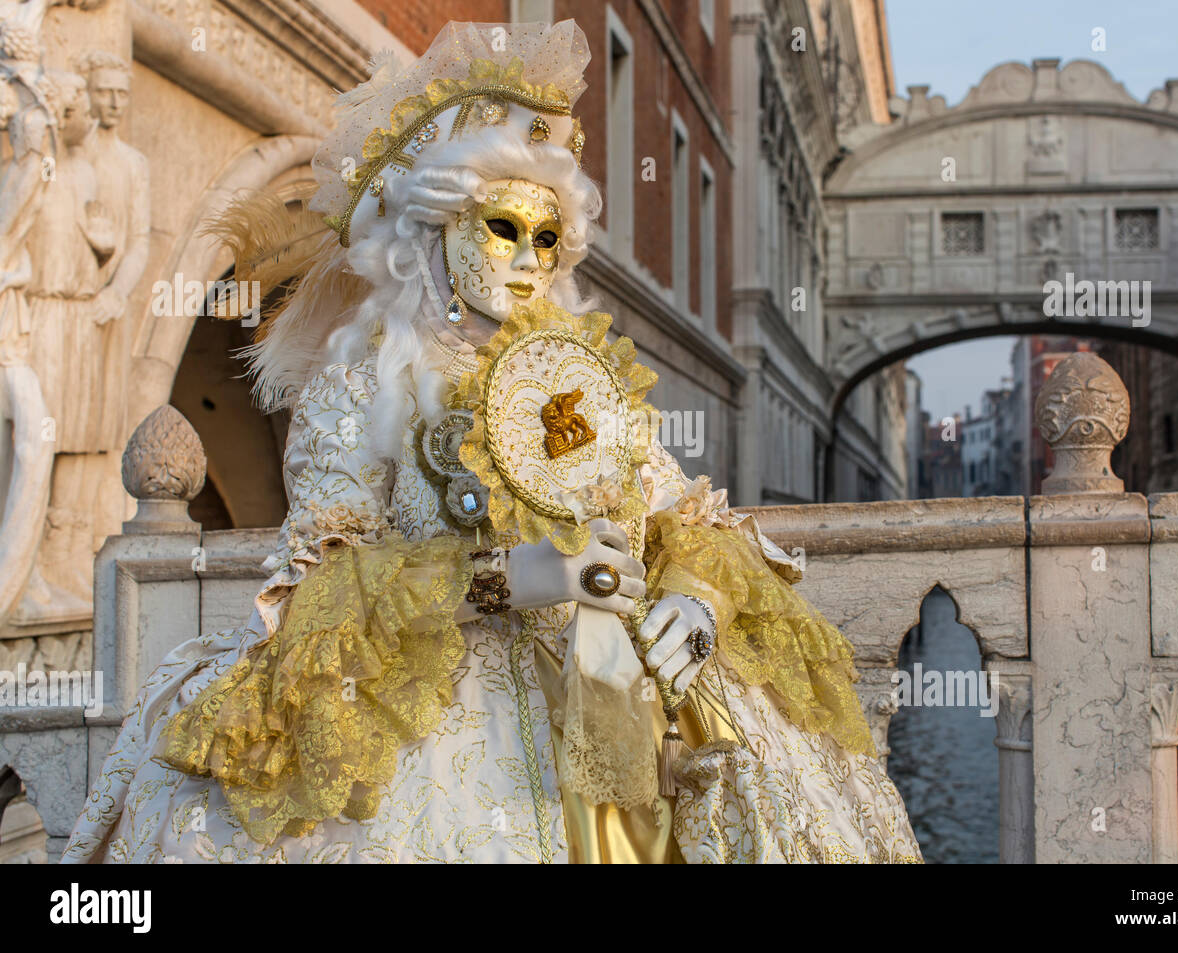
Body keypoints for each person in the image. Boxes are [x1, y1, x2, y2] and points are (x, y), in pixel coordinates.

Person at [62, 20, 920, 864]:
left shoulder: (581, 373)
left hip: (624, 700)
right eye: (501, 228)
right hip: (442, 708)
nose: (528, 260)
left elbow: (677, 506)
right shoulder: (363, 384)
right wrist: (520, 577)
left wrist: (694, 598)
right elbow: (318, 581)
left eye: (547, 238)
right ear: (434, 227)